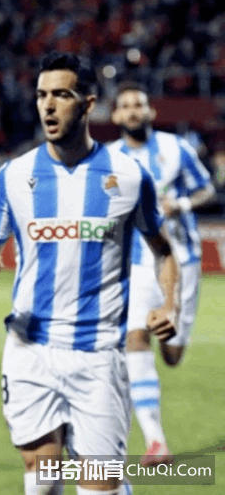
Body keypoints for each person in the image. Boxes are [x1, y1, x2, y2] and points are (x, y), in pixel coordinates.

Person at [0, 52, 178, 495]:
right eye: (41, 95)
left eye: (61, 95)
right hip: (31, 351)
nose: (47, 105)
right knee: (43, 482)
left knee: (98, 486)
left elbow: (165, 252)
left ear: (88, 104)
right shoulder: (13, 176)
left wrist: (170, 305)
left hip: (98, 354)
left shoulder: (129, 176)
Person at [108, 81, 216, 465]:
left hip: (182, 261)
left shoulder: (177, 148)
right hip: (135, 263)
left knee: (171, 353)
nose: (133, 111)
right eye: (126, 105)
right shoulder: (109, 158)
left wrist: (181, 204)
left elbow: (206, 189)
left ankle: (171, 339)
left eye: (139, 104)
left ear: (151, 111)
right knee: (134, 338)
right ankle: (156, 441)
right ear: (116, 115)